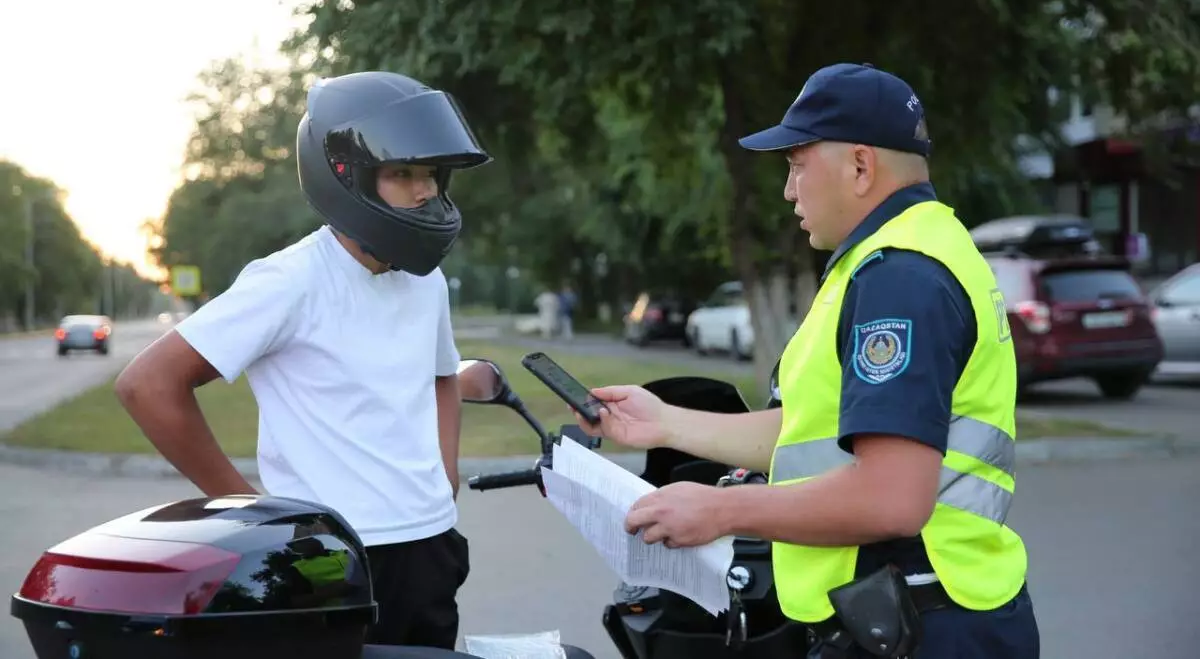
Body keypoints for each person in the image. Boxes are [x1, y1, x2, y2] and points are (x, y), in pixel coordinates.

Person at [576, 63, 1040, 658]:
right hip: (909, 613)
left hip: (923, 623)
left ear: (861, 165)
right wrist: (665, 422)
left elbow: (890, 498)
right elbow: (813, 433)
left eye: (797, 165)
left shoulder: (901, 276)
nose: (789, 190)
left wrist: (721, 510)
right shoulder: (899, 255)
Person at [114, 71, 491, 650]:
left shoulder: (425, 280)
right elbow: (148, 385)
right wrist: (250, 513)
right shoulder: (289, 281)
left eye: (431, 175)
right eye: (402, 173)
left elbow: (442, 376)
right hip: (333, 555)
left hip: (433, 544)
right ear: (348, 176)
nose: (425, 192)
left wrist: (446, 475)